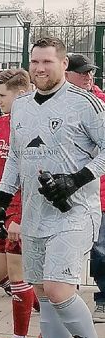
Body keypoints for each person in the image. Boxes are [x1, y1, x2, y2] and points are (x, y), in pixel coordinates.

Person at [0, 37, 105, 338]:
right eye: (35, 62)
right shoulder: (20, 106)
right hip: (35, 215)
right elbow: (16, 159)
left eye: (47, 62)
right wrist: (0, 202)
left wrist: (77, 179)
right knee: (42, 293)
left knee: (58, 288)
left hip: (75, 213)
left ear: (63, 63)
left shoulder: (85, 103)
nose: (40, 68)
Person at [0, 68, 39, 338]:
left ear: (22, 93)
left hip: (22, 210)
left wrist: (22, 216)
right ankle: (52, 315)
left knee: (18, 274)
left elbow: (35, 177)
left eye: (2, 95)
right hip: (0, 210)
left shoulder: (33, 126)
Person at [64, 53, 105, 321]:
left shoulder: (99, 104)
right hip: (65, 191)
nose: (88, 76)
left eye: (90, 72)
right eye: (83, 72)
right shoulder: (54, 104)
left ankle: (102, 297)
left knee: (101, 247)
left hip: (96, 188)